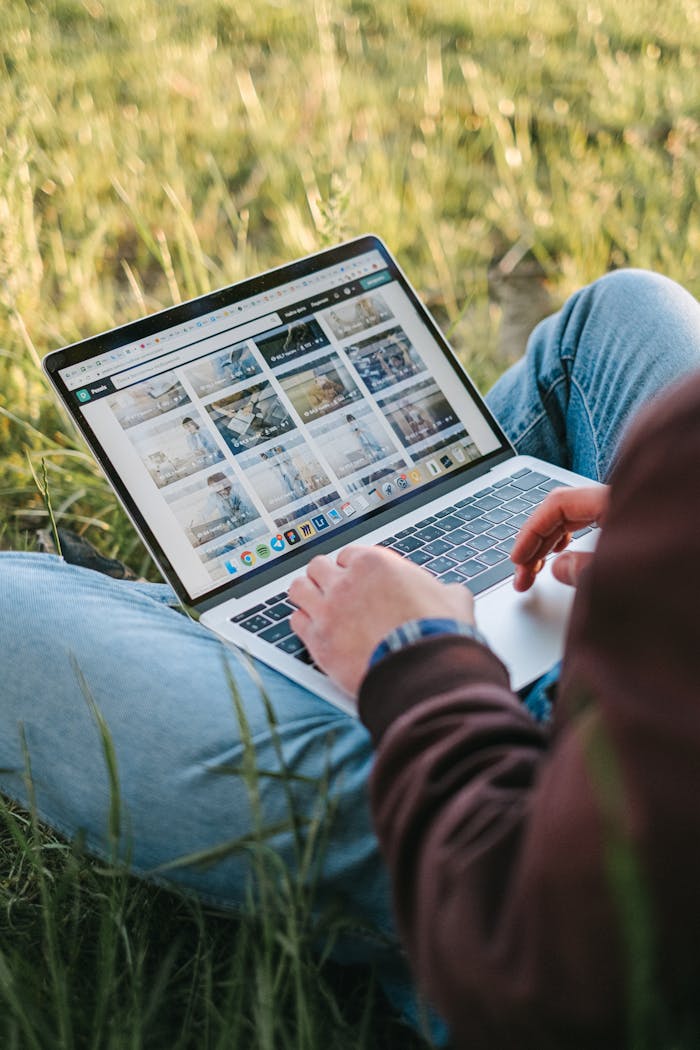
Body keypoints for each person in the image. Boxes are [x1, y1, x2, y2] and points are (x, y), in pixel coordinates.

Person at [1, 270, 699, 1044]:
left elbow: (563, 956)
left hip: (509, 831)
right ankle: (237, 614)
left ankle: (199, 625)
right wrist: (664, 550)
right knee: (625, 310)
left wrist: (419, 660)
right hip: (629, 692)